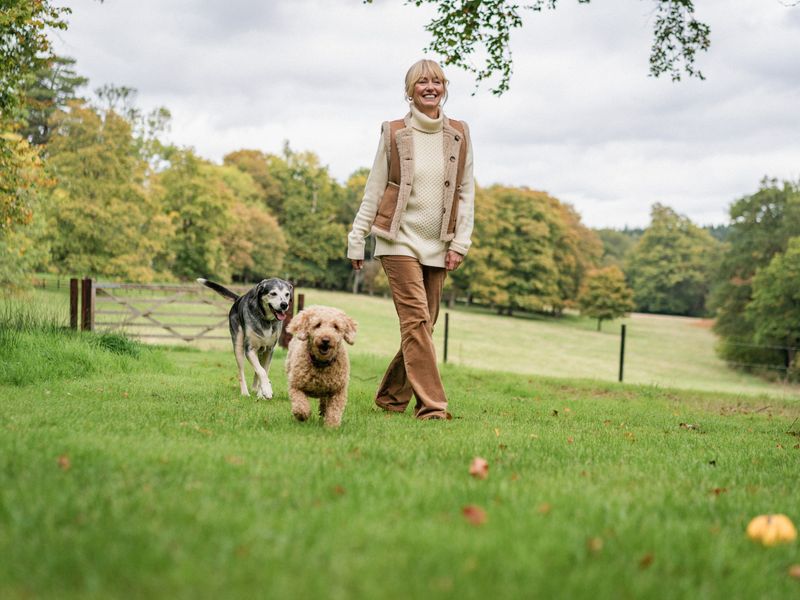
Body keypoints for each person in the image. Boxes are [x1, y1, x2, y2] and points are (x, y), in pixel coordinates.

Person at [347, 59, 474, 420]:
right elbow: (375, 187)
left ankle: (390, 397)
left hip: (439, 240)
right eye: (422, 82)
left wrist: (460, 242)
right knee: (417, 321)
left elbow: (466, 191)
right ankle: (433, 407)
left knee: (425, 325)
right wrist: (357, 238)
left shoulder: (460, 133)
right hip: (397, 239)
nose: (430, 87)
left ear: (444, 87)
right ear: (410, 90)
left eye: (437, 81)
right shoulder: (394, 131)